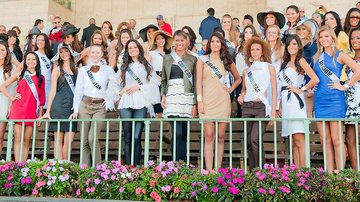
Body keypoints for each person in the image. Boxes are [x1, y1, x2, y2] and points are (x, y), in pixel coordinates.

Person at [313, 25, 360, 173]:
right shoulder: (316, 57)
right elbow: (315, 78)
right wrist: (311, 87)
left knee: (336, 139)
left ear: (332, 37)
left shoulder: (339, 54)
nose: (324, 39)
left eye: (326, 36)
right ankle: (329, 174)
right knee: (325, 141)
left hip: (335, 100)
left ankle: (339, 177)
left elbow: (358, 70)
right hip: (320, 100)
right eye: (321, 37)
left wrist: (345, 86)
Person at [109, 40, 159, 165]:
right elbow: (113, 82)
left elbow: (154, 83)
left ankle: (136, 167)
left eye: (134, 47)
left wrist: (139, 87)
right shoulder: (124, 67)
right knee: (128, 137)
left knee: (137, 137)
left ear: (139, 48)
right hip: (126, 102)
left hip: (141, 101)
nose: (132, 49)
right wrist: (120, 91)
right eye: (129, 48)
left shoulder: (146, 65)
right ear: (127, 51)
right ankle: (128, 167)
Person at [197, 32, 241, 170]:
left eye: (218, 41)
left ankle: (217, 169)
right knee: (209, 135)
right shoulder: (202, 59)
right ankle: (209, 170)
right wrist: (200, 101)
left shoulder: (227, 60)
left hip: (222, 100)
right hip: (207, 100)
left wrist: (230, 89)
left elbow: (238, 78)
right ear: (209, 44)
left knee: (221, 136)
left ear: (222, 44)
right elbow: (198, 82)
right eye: (213, 41)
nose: (215, 44)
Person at [69, 44, 115, 167]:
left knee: (92, 138)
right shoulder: (83, 70)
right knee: (84, 139)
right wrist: (76, 108)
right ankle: (84, 168)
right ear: (89, 54)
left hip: (99, 106)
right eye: (92, 52)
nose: (95, 54)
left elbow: (114, 86)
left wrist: (109, 100)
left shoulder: (108, 70)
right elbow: (78, 89)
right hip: (85, 104)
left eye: (97, 52)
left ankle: (97, 168)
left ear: (101, 54)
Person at [279, 34, 319, 168]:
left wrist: (301, 89)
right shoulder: (284, 63)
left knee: (299, 139)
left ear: (299, 46)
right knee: (293, 141)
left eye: (294, 44)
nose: (291, 47)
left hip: (296, 103)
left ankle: (304, 171)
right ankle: (297, 173)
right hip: (286, 103)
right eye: (289, 44)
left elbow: (314, 79)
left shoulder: (301, 61)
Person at [237, 37, 277, 170]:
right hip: (247, 107)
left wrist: (273, 113)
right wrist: (241, 96)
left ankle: (261, 171)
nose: (254, 52)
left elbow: (275, 91)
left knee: (255, 139)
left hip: (261, 106)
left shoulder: (269, 67)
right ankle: (252, 170)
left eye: (257, 49)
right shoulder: (246, 71)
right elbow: (243, 90)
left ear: (262, 51)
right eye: (252, 49)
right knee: (248, 141)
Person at [0, 52, 45, 162]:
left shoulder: (41, 78)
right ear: (25, 62)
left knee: (26, 140)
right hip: (18, 110)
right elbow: (3, 87)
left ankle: (23, 165)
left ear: (37, 62)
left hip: (31, 111)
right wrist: (12, 97)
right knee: (18, 139)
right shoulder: (19, 74)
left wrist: (40, 115)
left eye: (33, 59)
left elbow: (42, 97)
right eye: (28, 59)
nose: (31, 62)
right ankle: (17, 165)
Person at [161, 30, 197, 161]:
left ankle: (183, 163)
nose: (180, 43)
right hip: (172, 97)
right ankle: (175, 163)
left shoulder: (192, 59)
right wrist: (163, 96)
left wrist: (195, 103)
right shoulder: (167, 58)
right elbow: (164, 80)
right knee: (177, 132)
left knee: (184, 133)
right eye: (177, 40)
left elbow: (196, 83)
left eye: (182, 40)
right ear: (174, 42)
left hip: (186, 97)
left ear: (187, 41)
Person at [42, 43, 79, 160]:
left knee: (69, 140)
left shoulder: (77, 69)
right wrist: (48, 110)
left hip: (72, 108)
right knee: (59, 139)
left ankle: (65, 166)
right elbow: (52, 90)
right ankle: (59, 167)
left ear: (70, 53)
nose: (64, 54)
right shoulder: (56, 70)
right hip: (58, 106)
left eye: (66, 51)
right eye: (61, 52)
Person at [345, 27, 360, 171]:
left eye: (358, 38)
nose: (355, 41)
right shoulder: (349, 58)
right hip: (350, 104)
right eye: (353, 38)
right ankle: (357, 175)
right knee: (350, 140)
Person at [147, 30, 172, 118]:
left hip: (168, 79)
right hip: (156, 79)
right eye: (158, 39)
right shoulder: (152, 53)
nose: (160, 40)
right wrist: (155, 77)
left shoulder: (170, 54)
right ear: (155, 41)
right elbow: (147, 66)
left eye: (162, 38)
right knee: (158, 106)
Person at [296, 21, 318, 118]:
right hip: (296, 80)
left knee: (307, 112)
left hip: (308, 82)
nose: (301, 31)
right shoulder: (294, 45)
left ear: (309, 31)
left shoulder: (312, 46)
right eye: (299, 29)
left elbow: (313, 66)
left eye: (304, 29)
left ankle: (309, 132)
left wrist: (310, 86)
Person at [0, 41, 17, 158]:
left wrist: (11, 105)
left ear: (7, 52)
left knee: (0, 136)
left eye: (2, 50)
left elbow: (15, 89)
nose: (0, 52)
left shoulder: (12, 68)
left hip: (5, 104)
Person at [34, 33, 54, 110]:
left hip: (49, 84)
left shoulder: (50, 54)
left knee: (47, 107)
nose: (40, 42)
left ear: (46, 42)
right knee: (38, 107)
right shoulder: (34, 54)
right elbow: (21, 67)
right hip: (39, 83)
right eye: (38, 40)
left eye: (42, 40)